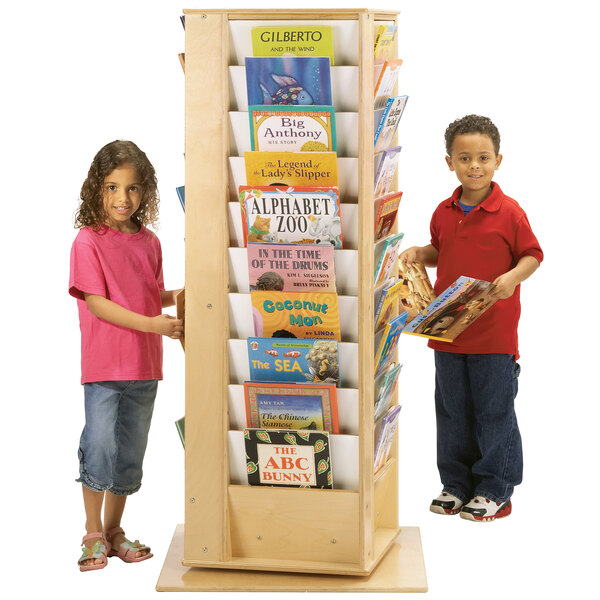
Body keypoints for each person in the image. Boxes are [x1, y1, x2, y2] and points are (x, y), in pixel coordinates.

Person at [400, 115, 543, 522]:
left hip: (494, 336)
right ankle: (456, 485)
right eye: (465, 158)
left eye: (483, 157)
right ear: (450, 162)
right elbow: (438, 250)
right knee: (452, 410)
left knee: (494, 411)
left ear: (498, 160)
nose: (474, 166)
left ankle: (495, 488)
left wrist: (512, 279)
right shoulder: (444, 211)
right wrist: (417, 253)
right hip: (446, 332)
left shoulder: (509, 212)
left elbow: (533, 255)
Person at [69, 140, 183, 570]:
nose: (123, 198)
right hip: (103, 368)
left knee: (130, 452)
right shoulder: (88, 241)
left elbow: (151, 294)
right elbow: (98, 303)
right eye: (113, 187)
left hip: (144, 367)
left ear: (145, 192)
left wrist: (184, 297)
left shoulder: (150, 242)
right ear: (97, 188)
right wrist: (156, 323)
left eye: (133, 189)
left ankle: (115, 532)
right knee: (98, 447)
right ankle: (92, 532)